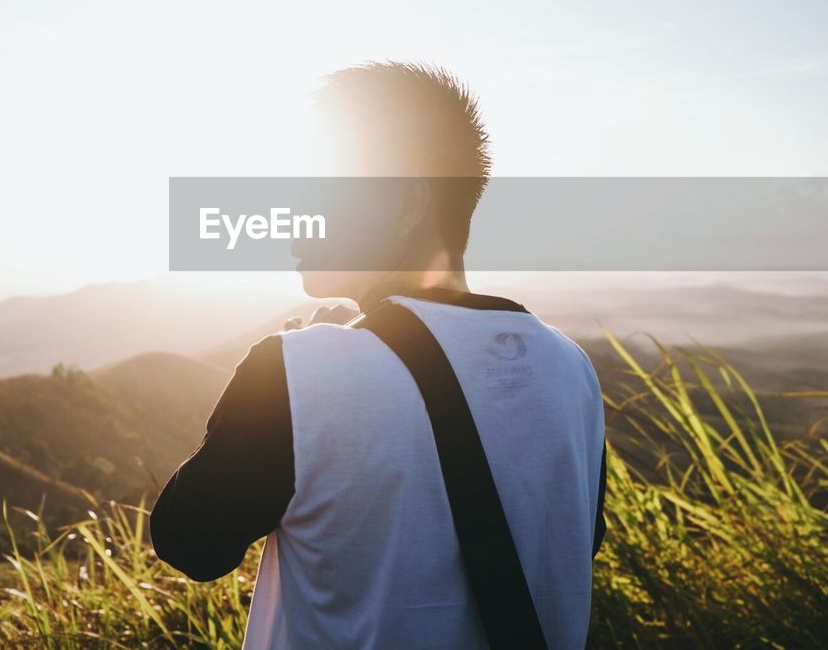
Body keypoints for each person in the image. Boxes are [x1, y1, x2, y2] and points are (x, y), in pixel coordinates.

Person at [150, 61, 607, 649]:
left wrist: (302, 371)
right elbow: (570, 542)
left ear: (403, 206)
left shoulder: (296, 372)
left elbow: (190, 545)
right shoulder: (572, 369)